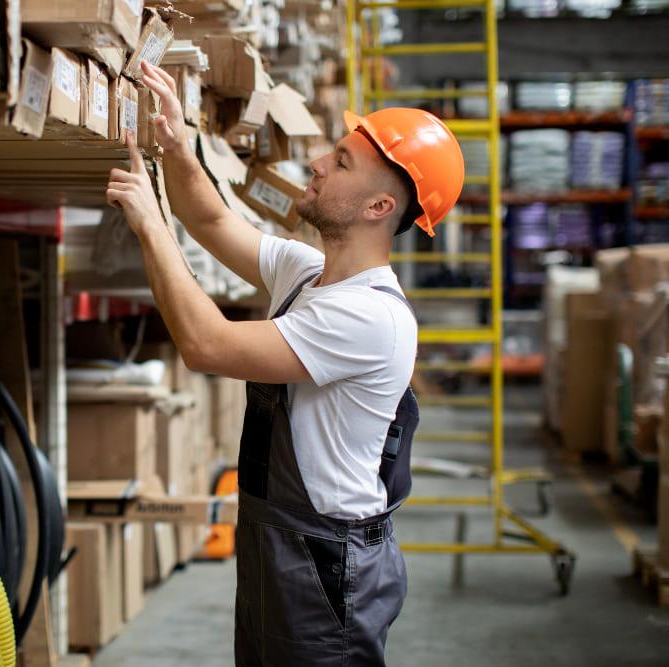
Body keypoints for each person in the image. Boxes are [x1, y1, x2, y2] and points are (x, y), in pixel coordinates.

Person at [107, 60, 464, 666]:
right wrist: (175, 143)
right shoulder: (308, 275)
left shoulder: (369, 317)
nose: (319, 163)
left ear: (379, 206)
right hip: (279, 544)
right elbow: (214, 220)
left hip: (326, 567)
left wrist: (150, 223)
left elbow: (206, 344)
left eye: (342, 161)